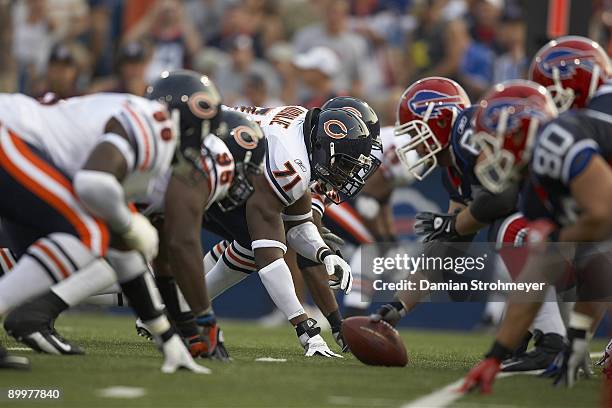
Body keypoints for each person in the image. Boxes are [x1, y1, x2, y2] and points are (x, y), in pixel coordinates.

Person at [0, 69, 226, 373]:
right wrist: (130, 224)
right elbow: (93, 183)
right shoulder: (156, 125)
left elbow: (124, 254)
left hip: (17, 136)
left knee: (86, 237)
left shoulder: (127, 124)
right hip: (8, 134)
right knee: (86, 234)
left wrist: (167, 338)